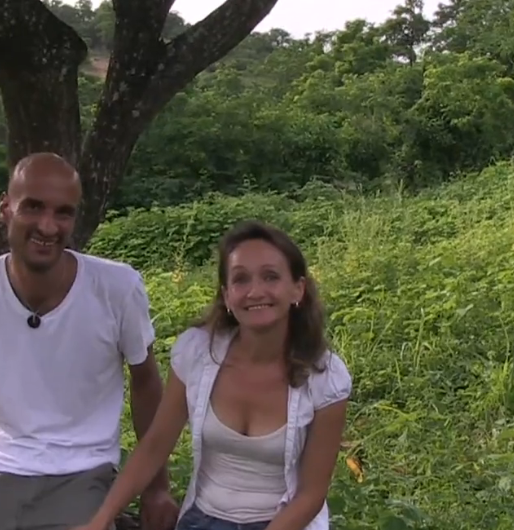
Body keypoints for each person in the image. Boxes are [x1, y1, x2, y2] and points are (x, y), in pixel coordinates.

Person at [0, 153, 179, 530]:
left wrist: (157, 488)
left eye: (63, 213)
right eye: (33, 207)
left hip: (81, 469)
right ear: (6, 209)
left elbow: (146, 382)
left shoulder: (117, 287)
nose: (48, 226)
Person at [72, 220, 353, 530]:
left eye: (271, 277)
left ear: (297, 289)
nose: (255, 291)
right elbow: (154, 446)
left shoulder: (325, 377)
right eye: (241, 279)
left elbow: (311, 496)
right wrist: (99, 520)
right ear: (227, 295)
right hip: (203, 520)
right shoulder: (198, 353)